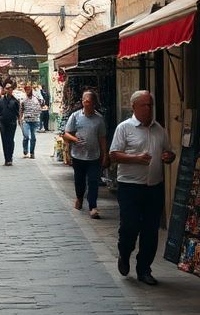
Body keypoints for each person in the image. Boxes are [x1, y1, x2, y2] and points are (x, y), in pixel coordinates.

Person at [109, 89, 175, 285]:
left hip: (154, 187)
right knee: (129, 226)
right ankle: (124, 252)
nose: (148, 108)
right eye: (144, 105)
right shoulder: (124, 128)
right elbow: (114, 154)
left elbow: (169, 153)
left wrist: (168, 157)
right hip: (130, 186)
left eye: (150, 105)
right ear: (134, 107)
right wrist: (135, 158)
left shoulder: (159, 129)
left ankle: (144, 268)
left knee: (150, 230)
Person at [62, 90, 109, 218]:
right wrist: (74, 139)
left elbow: (102, 137)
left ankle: (93, 206)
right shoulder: (75, 116)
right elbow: (66, 133)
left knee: (93, 181)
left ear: (94, 102)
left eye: (88, 101)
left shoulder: (99, 119)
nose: (85, 103)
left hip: (94, 155)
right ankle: (79, 197)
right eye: (84, 100)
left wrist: (105, 154)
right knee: (79, 180)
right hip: (78, 155)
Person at [0, 82, 22, 165]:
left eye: (10, 88)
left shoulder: (15, 101)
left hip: (12, 123)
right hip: (3, 123)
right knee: (4, 140)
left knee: (10, 140)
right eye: (6, 88)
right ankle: (6, 158)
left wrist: (19, 120)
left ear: (12, 90)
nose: (8, 90)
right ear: (4, 89)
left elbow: (18, 113)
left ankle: (10, 157)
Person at [19, 84, 42, 159]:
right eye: (27, 90)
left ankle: (32, 152)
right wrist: (20, 119)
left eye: (29, 89)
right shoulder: (23, 99)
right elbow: (21, 110)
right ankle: (25, 150)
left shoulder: (36, 97)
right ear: (25, 91)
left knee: (33, 137)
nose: (28, 91)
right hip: (26, 120)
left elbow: (42, 104)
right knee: (26, 136)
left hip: (35, 120)